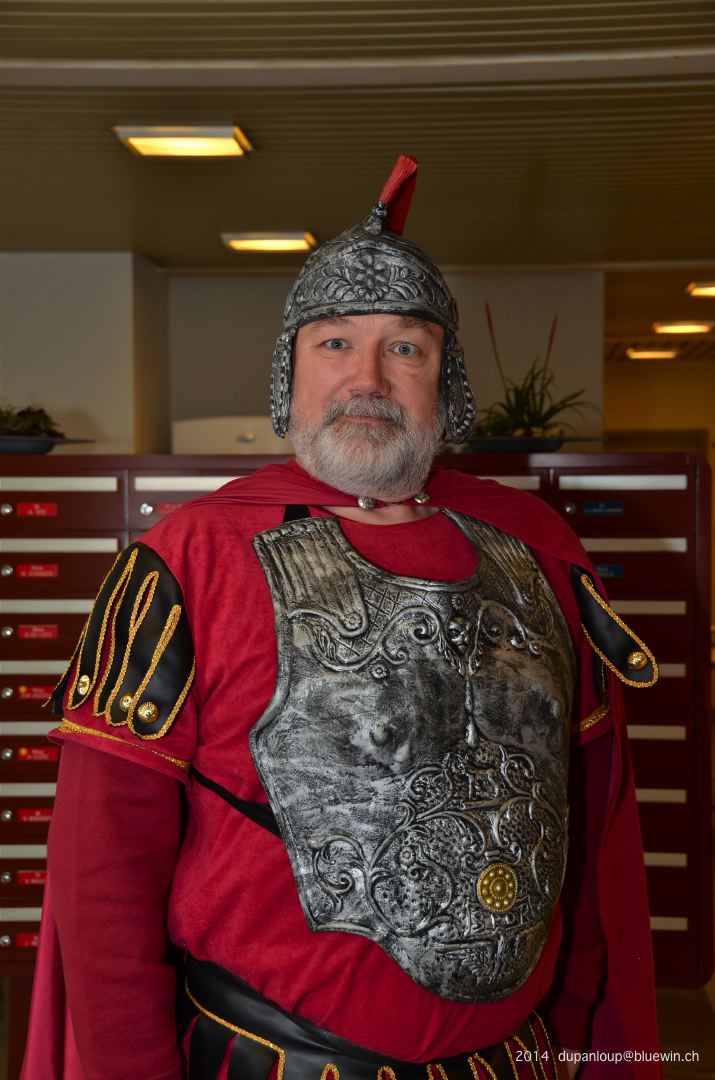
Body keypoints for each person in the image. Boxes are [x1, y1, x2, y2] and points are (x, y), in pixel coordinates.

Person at [22, 156, 662, 1080]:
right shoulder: (189, 561)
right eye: (334, 343)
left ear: (446, 383)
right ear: (289, 374)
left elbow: (588, 834)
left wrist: (577, 1042)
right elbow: (101, 875)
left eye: (405, 348)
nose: (368, 378)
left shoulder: (538, 550)